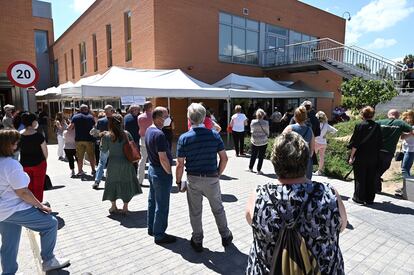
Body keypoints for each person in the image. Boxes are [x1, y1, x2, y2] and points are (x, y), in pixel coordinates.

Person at [245, 131, 346, 274]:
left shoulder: (259, 194)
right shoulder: (329, 193)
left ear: (274, 161)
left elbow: (251, 221)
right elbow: (342, 226)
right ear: (306, 160)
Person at [0, 129, 70, 273]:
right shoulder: (10, 165)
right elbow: (23, 192)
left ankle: (8, 272)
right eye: (15, 142)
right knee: (50, 224)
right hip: (14, 207)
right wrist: (40, 205)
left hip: (3, 211)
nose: (18, 145)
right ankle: (49, 260)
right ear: (9, 145)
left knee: (9, 244)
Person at [176, 103, 233, 252]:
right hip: (211, 178)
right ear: (204, 118)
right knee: (218, 209)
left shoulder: (184, 138)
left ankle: (197, 240)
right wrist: (218, 174)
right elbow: (224, 158)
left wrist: (178, 181)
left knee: (195, 212)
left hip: (193, 179)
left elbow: (180, 164)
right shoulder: (214, 135)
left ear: (189, 118)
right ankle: (226, 236)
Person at [145, 106, 176, 244]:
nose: (167, 119)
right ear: (158, 118)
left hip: (153, 169)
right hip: (160, 172)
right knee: (162, 205)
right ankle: (159, 234)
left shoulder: (149, 130)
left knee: (152, 201)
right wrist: (169, 173)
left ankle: (152, 228)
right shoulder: (159, 134)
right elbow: (163, 158)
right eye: (165, 116)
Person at [101, 114, 142, 214]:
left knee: (112, 184)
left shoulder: (107, 136)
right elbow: (133, 146)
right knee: (126, 183)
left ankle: (113, 206)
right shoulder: (127, 134)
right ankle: (125, 207)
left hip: (113, 164)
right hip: (126, 163)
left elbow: (104, 150)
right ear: (121, 123)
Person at [348, 106, 383, 204]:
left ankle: (359, 198)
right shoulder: (377, 126)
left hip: (361, 156)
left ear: (362, 115)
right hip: (373, 157)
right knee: (370, 177)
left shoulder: (360, 125)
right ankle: (370, 199)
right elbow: (380, 143)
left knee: (360, 177)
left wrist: (351, 157)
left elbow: (355, 144)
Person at [375, 109, 414, 193]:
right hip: (390, 151)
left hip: (376, 150)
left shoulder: (379, 122)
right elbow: (407, 134)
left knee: (376, 169)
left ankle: (375, 187)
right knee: (382, 168)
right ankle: (376, 186)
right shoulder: (400, 123)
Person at [19, 112, 48, 203]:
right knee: (38, 187)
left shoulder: (18, 135)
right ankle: (39, 206)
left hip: (24, 164)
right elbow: (45, 152)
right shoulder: (39, 135)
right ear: (33, 122)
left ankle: (29, 205)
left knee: (28, 186)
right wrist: (44, 160)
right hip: (39, 163)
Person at [283, 106, 315, 180]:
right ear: (305, 117)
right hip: (306, 161)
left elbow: (280, 144)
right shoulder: (310, 130)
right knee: (306, 184)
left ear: (295, 117)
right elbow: (312, 149)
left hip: (292, 160)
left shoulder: (289, 128)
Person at [68, 104, 96, 176]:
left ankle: (80, 171)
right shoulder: (90, 117)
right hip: (89, 139)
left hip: (79, 139)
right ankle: (93, 170)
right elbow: (94, 127)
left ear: (80, 109)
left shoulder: (75, 117)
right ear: (87, 109)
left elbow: (70, 128)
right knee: (91, 156)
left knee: (80, 157)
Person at [92, 105, 113, 189]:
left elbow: (96, 133)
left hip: (104, 144)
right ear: (111, 111)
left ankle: (97, 181)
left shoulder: (100, 121)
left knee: (101, 163)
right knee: (112, 163)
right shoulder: (116, 120)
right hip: (113, 144)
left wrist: (98, 139)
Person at [314, 111, 338, 176]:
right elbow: (336, 131)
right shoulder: (326, 125)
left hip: (316, 142)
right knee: (321, 157)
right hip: (323, 143)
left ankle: (311, 169)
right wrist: (327, 135)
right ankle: (319, 171)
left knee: (311, 157)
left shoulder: (316, 124)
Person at [248, 109, 269, 175]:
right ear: (263, 115)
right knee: (261, 156)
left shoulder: (253, 122)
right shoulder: (266, 123)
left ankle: (250, 168)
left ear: (256, 115)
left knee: (253, 155)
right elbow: (267, 132)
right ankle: (258, 170)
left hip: (254, 140)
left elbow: (251, 131)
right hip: (263, 141)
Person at [138, 101, 154, 186]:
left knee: (142, 160)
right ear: (150, 107)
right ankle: (152, 179)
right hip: (151, 138)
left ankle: (139, 180)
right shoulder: (153, 116)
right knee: (153, 160)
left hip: (143, 138)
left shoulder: (140, 117)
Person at [400, 110, 414, 178]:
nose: (405, 118)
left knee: (404, 169)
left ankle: (407, 187)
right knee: (405, 169)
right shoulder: (407, 126)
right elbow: (402, 137)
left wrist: (407, 134)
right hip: (405, 149)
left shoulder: (412, 126)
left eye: (406, 116)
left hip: (411, 149)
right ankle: (405, 187)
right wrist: (409, 133)